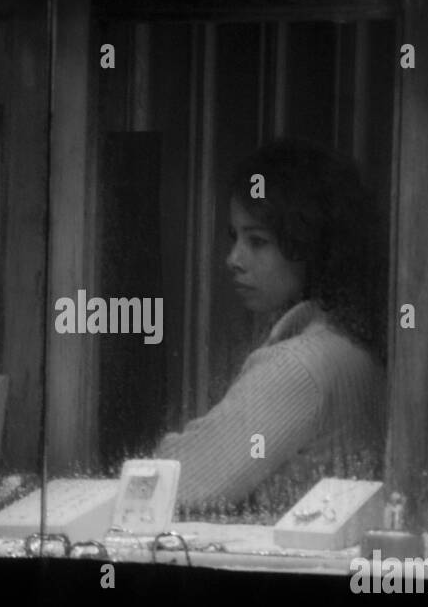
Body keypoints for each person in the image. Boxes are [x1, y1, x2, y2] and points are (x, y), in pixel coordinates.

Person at [154, 138, 388, 515]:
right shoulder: (357, 342)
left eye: (257, 241)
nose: (233, 260)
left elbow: (173, 482)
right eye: (235, 238)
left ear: (312, 246)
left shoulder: (299, 366)